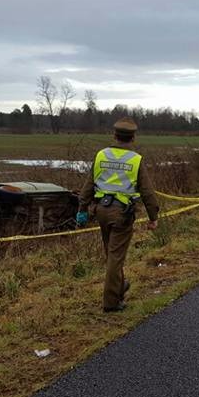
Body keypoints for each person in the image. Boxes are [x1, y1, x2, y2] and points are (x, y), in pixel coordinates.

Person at [76, 117, 160, 312]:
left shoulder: (101, 155)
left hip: (101, 211)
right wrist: (153, 217)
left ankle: (120, 286)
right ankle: (111, 302)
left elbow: (88, 185)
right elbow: (147, 192)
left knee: (111, 254)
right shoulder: (135, 160)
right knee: (115, 258)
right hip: (122, 214)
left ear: (114, 136)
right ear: (133, 138)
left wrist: (82, 210)